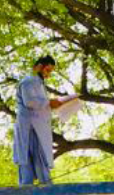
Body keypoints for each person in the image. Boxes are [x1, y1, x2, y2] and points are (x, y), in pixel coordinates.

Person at [13, 55, 78, 186]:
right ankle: (32, 188)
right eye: (47, 70)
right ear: (38, 67)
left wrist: (56, 103)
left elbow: (42, 104)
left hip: (38, 126)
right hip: (29, 127)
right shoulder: (28, 81)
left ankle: (43, 186)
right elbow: (30, 101)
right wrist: (49, 103)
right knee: (29, 158)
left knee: (38, 157)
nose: (48, 75)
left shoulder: (39, 85)